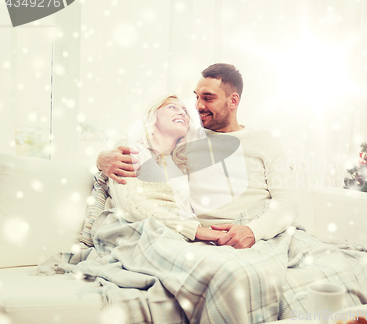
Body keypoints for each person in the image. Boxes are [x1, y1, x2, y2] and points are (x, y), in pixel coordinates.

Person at [96, 63, 298, 248]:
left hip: (261, 229)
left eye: (208, 98)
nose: (198, 106)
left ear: (233, 101)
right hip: (210, 238)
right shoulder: (188, 140)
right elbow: (149, 144)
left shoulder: (265, 141)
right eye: (197, 97)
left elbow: (286, 201)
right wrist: (101, 159)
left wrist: (254, 231)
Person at [106, 95, 226, 242]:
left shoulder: (182, 166)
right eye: (172, 107)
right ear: (154, 116)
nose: (182, 113)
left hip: (179, 236)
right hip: (138, 231)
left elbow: (188, 210)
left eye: (185, 111)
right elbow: (130, 203)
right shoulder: (130, 148)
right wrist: (194, 230)